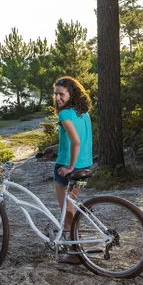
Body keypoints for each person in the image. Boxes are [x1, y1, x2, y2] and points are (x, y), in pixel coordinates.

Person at [44, 76, 93, 264]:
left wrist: (69, 166)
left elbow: (76, 141)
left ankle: (74, 250)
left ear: (71, 94)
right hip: (85, 166)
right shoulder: (83, 113)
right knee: (71, 204)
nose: (57, 98)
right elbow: (74, 138)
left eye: (61, 94)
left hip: (67, 168)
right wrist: (54, 148)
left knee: (67, 210)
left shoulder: (64, 115)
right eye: (55, 94)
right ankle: (74, 244)